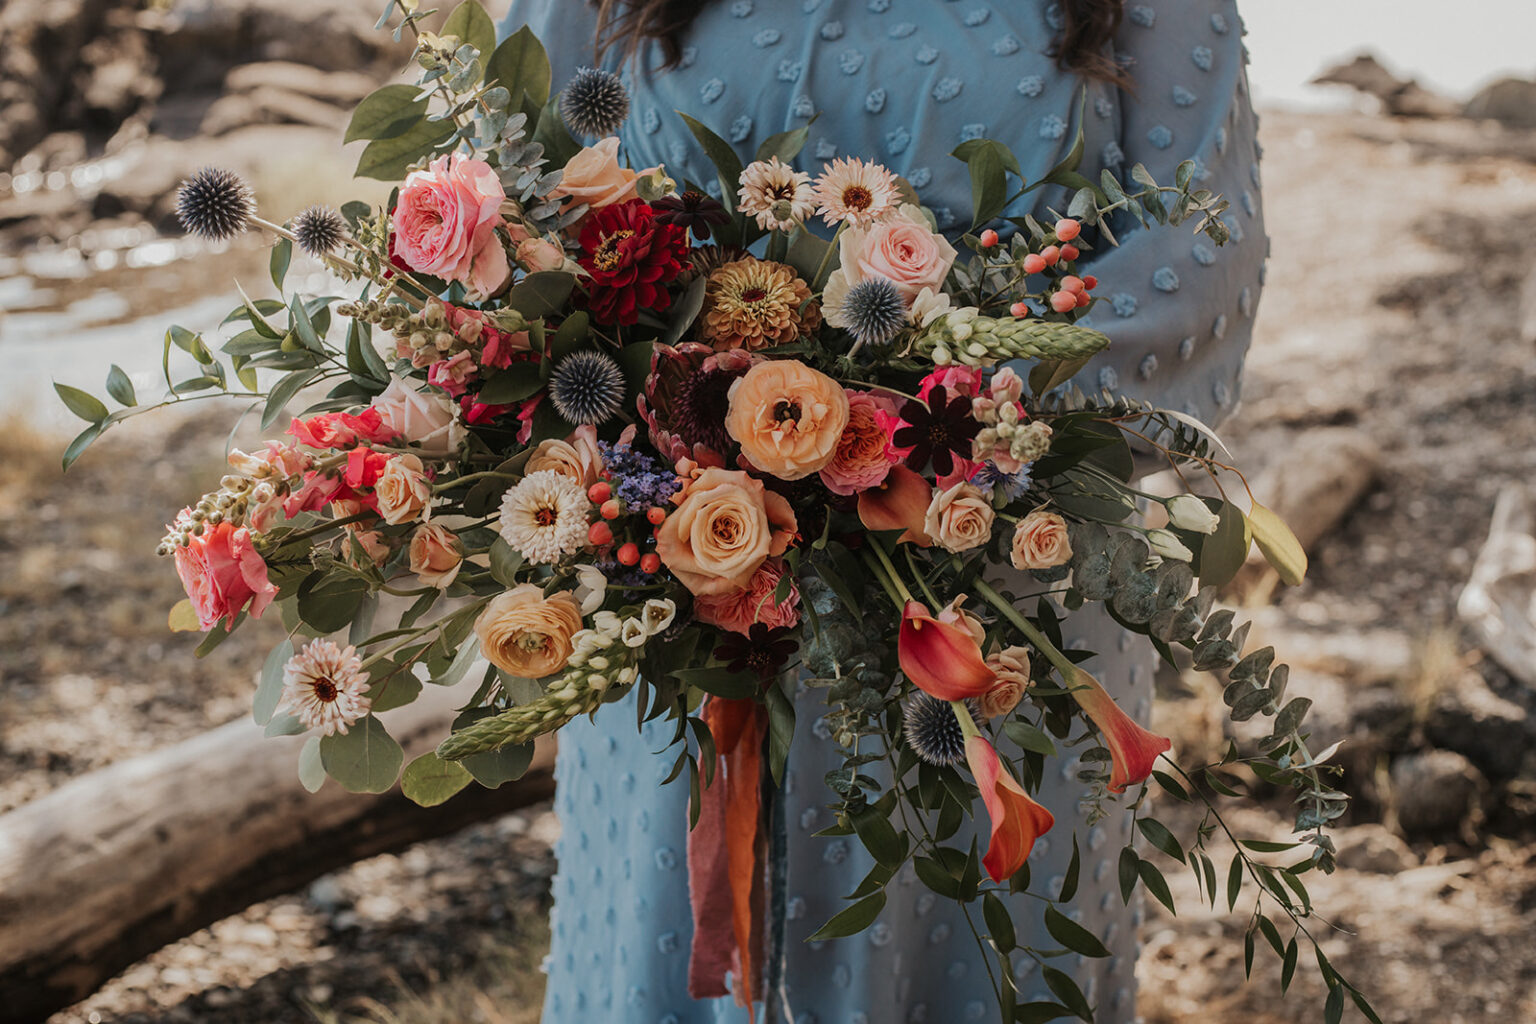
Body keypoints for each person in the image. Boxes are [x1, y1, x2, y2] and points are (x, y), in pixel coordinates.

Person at [494, 1, 1266, 1020]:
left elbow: (1197, 273)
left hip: (1001, 606)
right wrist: (664, 436)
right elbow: (508, 220)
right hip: (681, 597)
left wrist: (916, 428)